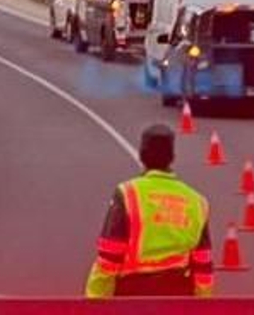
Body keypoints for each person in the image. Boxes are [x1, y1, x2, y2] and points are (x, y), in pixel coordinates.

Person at [85, 125, 213, 299]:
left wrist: (94, 300)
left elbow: (110, 256)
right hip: (179, 294)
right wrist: (203, 305)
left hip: (134, 293)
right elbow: (203, 264)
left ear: (141, 156)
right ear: (172, 158)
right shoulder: (197, 201)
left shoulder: (128, 193)